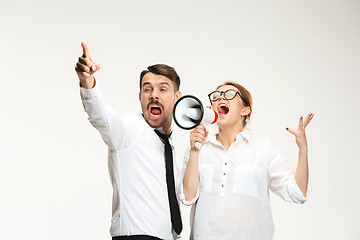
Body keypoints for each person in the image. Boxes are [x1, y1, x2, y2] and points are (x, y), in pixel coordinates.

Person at [179, 81, 314, 240]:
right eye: (216, 96)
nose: (221, 98)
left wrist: (303, 150)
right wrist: (195, 151)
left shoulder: (264, 148)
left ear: (245, 110)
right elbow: (187, 197)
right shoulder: (198, 149)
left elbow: (298, 193)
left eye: (229, 94)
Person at [75, 42, 183, 240]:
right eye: (148, 90)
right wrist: (87, 80)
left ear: (177, 97)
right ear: (140, 97)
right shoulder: (130, 129)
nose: (154, 95)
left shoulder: (169, 147)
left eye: (163, 89)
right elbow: (102, 117)